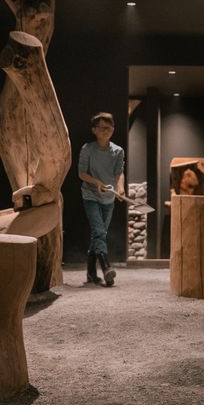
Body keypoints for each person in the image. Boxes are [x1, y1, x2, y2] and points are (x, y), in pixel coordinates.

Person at [78, 112, 125, 287]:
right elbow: (82, 173)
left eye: (108, 127)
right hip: (90, 195)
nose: (105, 131)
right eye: (101, 128)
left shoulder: (118, 151)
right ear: (94, 130)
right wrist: (97, 182)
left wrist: (120, 188)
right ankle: (106, 268)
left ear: (113, 129)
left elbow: (119, 172)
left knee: (98, 235)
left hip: (109, 198)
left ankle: (91, 273)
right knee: (99, 232)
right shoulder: (87, 149)